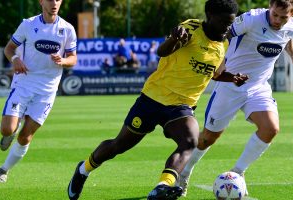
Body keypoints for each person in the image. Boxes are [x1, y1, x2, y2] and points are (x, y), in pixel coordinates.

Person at [66, 1, 245, 200]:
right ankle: (83, 169)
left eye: (231, 23)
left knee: (190, 142)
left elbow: (215, 73)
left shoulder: (224, 44)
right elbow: (163, 51)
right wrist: (174, 39)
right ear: (210, 16)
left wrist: (232, 77)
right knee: (119, 146)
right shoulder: (191, 29)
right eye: (224, 22)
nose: (228, 27)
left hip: (181, 106)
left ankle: (162, 187)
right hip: (153, 98)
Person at [178, 0, 293, 197]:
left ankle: (238, 172)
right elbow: (223, 34)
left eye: (283, 17)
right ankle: (184, 174)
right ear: (270, 6)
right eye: (275, 15)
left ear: (292, 13)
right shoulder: (252, 19)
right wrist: (217, 62)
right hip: (230, 85)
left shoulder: (292, 25)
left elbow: (287, 37)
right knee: (208, 138)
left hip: (259, 87)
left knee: (270, 129)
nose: (278, 20)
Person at [0, 0, 77, 183]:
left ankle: (4, 170)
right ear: (41, 2)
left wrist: (63, 61)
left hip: (47, 90)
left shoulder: (67, 29)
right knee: (7, 129)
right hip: (24, 83)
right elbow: (9, 49)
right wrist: (15, 59)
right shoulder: (28, 24)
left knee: (26, 137)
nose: (54, 3)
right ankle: (11, 131)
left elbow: (73, 58)